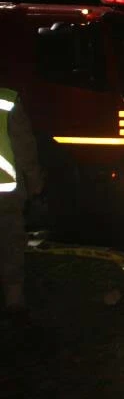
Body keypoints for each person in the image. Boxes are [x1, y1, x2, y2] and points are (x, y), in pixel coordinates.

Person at [0, 86, 43, 321]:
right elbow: (24, 146)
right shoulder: (8, 100)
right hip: (5, 191)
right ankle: (14, 299)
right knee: (10, 244)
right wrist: (35, 181)